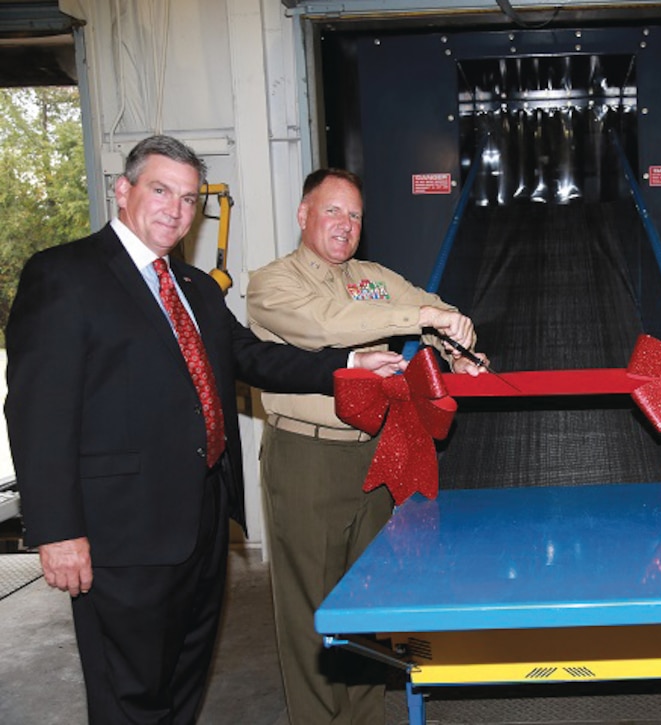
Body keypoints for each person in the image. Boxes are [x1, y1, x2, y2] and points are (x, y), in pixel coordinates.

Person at [3, 135, 403, 724]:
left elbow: (254, 357)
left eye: (190, 199)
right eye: (161, 190)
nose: (177, 209)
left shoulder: (191, 287)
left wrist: (345, 366)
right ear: (123, 190)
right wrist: (57, 532)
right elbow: (38, 412)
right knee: (128, 693)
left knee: (184, 678)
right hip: (121, 532)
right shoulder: (66, 275)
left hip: (203, 521)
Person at [245, 168, 486, 724]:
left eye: (355, 216)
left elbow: (426, 303)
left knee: (370, 597)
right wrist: (422, 318)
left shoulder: (372, 278)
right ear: (304, 215)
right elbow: (328, 325)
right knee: (311, 602)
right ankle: (317, 719)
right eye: (333, 211)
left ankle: (365, 715)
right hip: (307, 457)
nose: (345, 225)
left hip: (374, 451)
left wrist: (456, 342)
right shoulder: (273, 283)